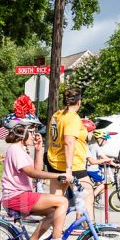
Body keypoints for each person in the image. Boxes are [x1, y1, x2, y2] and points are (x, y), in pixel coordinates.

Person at [0, 123, 79, 240]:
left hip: (20, 196)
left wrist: (38, 149)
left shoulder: (20, 150)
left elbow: (37, 169)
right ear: (23, 135)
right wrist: (58, 175)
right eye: (32, 133)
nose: (35, 136)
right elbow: (31, 172)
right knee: (63, 201)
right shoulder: (15, 149)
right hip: (16, 196)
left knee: (54, 212)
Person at [46, 87, 93, 219]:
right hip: (72, 165)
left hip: (54, 162)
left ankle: (55, 234)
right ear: (79, 102)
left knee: (57, 202)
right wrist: (69, 169)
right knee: (87, 196)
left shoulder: (57, 115)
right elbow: (68, 142)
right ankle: (92, 235)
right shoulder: (73, 118)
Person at [86, 130, 119, 202]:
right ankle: (92, 197)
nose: (106, 142)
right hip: (92, 169)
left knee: (99, 180)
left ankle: (95, 193)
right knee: (104, 183)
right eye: (105, 140)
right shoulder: (95, 146)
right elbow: (104, 157)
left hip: (89, 167)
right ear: (101, 139)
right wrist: (115, 164)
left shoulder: (91, 144)